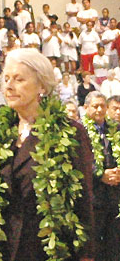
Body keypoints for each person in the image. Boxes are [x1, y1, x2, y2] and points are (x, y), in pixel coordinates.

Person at [0, 48, 94, 261]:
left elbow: (83, 200)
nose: (9, 86)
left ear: (42, 85)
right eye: (6, 79)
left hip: (47, 250)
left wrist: (85, 254)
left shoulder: (69, 131)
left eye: (19, 79)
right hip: (3, 249)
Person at [82, 91, 120, 261]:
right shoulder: (80, 131)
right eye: (95, 106)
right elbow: (80, 160)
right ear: (86, 108)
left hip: (115, 195)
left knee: (114, 242)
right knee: (95, 243)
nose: (99, 109)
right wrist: (100, 174)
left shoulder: (116, 128)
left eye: (102, 106)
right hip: (93, 197)